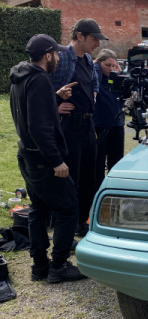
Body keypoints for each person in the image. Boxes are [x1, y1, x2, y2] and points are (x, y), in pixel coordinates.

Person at [9, 34, 86, 283]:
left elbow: (31, 111)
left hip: (27, 155)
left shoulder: (20, 77)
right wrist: (56, 161)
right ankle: (59, 266)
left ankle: (40, 266)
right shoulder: (40, 79)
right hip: (43, 159)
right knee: (68, 208)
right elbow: (39, 128)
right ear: (48, 55)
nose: (58, 59)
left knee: (38, 209)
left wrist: (55, 97)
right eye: (56, 55)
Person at [50, 18, 108, 237]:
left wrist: (93, 96)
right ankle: (67, 225)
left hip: (87, 124)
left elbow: (94, 83)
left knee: (89, 177)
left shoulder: (88, 60)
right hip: (69, 125)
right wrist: (55, 105)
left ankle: (82, 221)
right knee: (70, 178)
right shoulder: (62, 57)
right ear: (80, 36)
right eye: (94, 39)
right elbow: (40, 86)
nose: (98, 44)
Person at [93, 49, 125, 191]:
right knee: (98, 164)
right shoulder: (97, 76)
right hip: (100, 126)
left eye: (113, 65)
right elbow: (95, 75)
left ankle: (114, 190)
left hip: (117, 125)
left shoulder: (114, 78)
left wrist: (120, 73)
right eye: (107, 65)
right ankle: (98, 191)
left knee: (116, 162)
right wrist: (96, 65)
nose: (111, 69)